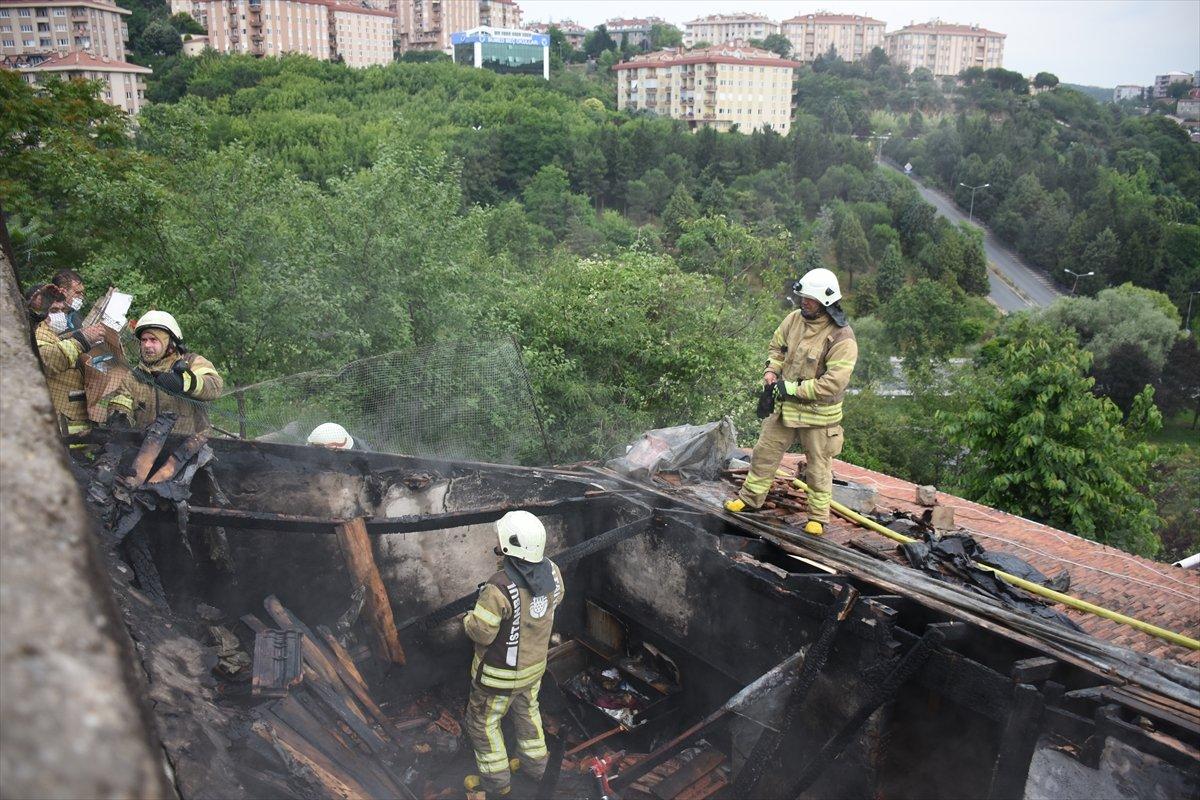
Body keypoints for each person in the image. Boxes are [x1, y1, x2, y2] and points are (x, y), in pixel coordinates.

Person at [725, 268, 858, 536]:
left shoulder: (842, 338)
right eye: (803, 298)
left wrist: (792, 388)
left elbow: (833, 383)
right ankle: (751, 499)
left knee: (818, 466)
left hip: (818, 416)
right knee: (764, 452)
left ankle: (818, 518)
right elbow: (777, 348)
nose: (803, 303)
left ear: (826, 302)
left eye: (809, 299)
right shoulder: (794, 319)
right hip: (784, 407)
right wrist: (771, 371)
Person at [463, 511, 564, 798]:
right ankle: (537, 767)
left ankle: (497, 785)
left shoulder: (498, 587)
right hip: (534, 669)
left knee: (483, 724)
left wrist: (467, 619)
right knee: (528, 713)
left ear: (509, 545)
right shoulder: (553, 572)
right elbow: (553, 603)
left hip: (498, 678)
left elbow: (481, 632)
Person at [29, 277, 129, 435]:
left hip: (74, 431)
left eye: (62, 310)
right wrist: (82, 339)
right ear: (40, 314)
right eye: (54, 311)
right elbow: (46, 360)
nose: (60, 316)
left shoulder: (53, 334)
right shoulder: (37, 333)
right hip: (58, 434)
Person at [128, 310, 223, 435]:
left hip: (190, 448)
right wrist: (120, 417)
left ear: (170, 342)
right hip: (146, 448)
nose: (147, 345)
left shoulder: (191, 362)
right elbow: (121, 404)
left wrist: (184, 383)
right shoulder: (136, 375)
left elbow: (215, 386)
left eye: (153, 340)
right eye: (144, 340)